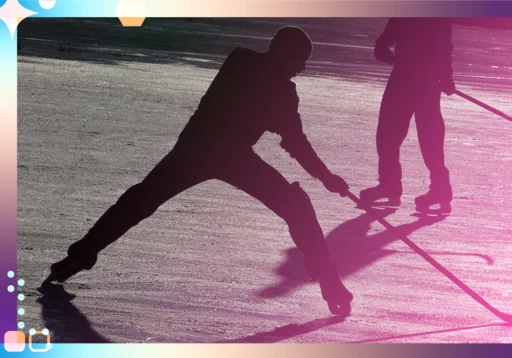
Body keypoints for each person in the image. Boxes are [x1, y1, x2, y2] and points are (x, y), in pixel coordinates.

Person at [43, 26, 354, 316]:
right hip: (206, 152)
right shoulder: (263, 77)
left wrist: (326, 176)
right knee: (140, 201)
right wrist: (327, 178)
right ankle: (331, 283)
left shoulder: (247, 65)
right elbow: (294, 140)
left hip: (212, 152)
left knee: (140, 201)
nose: (301, 68)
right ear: (284, 54)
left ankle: (79, 256)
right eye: (299, 61)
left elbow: (292, 137)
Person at [360, 18, 455, 213]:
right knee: (390, 135)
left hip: (423, 81)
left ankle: (438, 188)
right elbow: (391, 32)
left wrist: (445, 76)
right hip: (408, 78)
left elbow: (444, 44)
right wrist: (384, 47)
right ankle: (391, 185)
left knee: (428, 138)